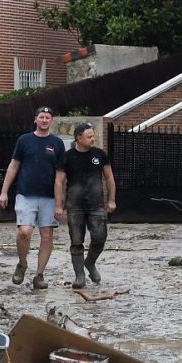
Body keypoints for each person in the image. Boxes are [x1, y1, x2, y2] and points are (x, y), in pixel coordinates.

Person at [0, 106, 64, 290]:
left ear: (52, 121)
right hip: (25, 193)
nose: (44, 120)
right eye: (41, 117)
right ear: (35, 119)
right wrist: (4, 191)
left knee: (47, 236)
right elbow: (13, 166)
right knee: (24, 232)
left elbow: (60, 175)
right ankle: (22, 263)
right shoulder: (24, 140)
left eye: (47, 117)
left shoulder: (57, 143)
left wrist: (60, 203)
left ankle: (39, 275)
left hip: (49, 197)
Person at [59, 122, 116, 289]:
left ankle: (90, 263)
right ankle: (79, 276)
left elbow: (110, 178)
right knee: (76, 240)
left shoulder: (100, 155)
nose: (93, 139)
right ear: (79, 138)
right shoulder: (67, 157)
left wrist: (111, 200)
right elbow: (59, 181)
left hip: (96, 205)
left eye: (93, 136)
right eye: (89, 136)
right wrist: (59, 203)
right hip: (74, 205)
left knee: (99, 237)